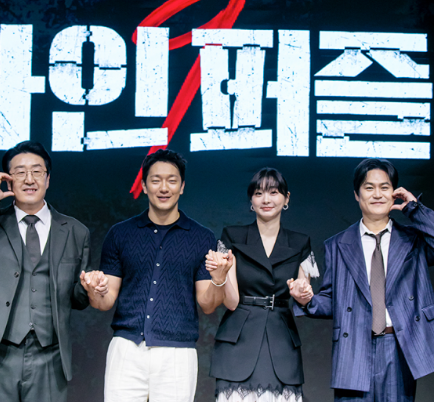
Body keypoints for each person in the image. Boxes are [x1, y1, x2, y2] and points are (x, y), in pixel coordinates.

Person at [81, 149, 232, 402]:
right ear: (143, 185)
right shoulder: (120, 234)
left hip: (177, 354)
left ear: (182, 187)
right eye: (155, 180)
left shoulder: (202, 237)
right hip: (126, 348)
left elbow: (207, 305)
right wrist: (95, 291)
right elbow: (104, 302)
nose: (164, 188)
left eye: (172, 180)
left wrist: (219, 279)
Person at [0, 141, 91, 402]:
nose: (29, 179)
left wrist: (88, 288)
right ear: (8, 180)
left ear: (48, 179)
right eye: (19, 172)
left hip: (50, 354)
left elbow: (77, 299)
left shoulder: (75, 231)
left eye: (37, 171)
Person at [290, 158, 434, 401]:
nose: (377, 194)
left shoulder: (413, 240)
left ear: (395, 192)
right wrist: (307, 299)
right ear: (357, 194)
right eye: (369, 187)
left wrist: (415, 209)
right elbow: (332, 300)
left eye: (384, 187)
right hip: (354, 346)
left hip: (400, 345)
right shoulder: (337, 245)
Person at [206, 167, 318, 402]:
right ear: (251, 200)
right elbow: (232, 302)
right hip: (238, 342)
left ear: (286, 198)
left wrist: (302, 293)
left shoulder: (301, 242)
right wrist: (221, 275)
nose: (266, 199)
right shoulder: (231, 236)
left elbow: (304, 295)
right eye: (259, 193)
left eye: (274, 192)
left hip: (281, 342)